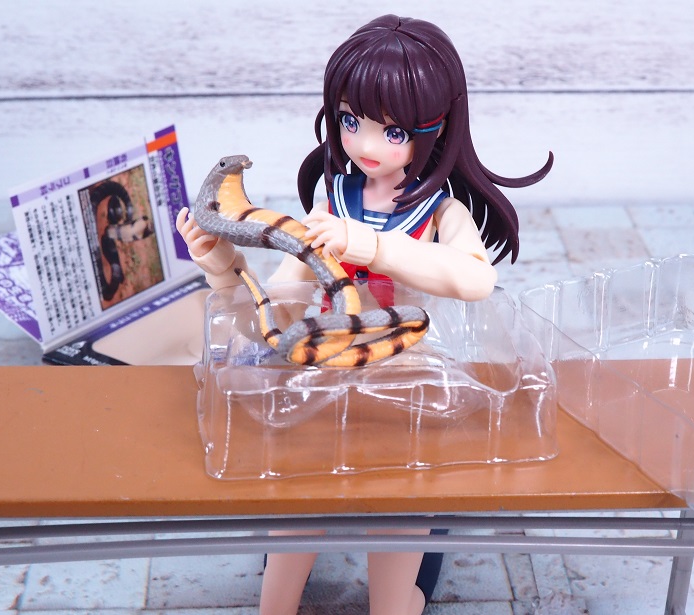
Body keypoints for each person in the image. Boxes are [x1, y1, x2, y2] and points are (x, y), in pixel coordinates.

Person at [176, 14, 552, 615]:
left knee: (396, 536)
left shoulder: (440, 211)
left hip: (406, 384)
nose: (367, 145)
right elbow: (275, 319)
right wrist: (223, 266)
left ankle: (400, 594)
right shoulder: (333, 202)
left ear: (436, 127)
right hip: (323, 376)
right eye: (352, 122)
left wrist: (374, 246)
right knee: (295, 512)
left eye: (392, 130)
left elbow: (476, 279)